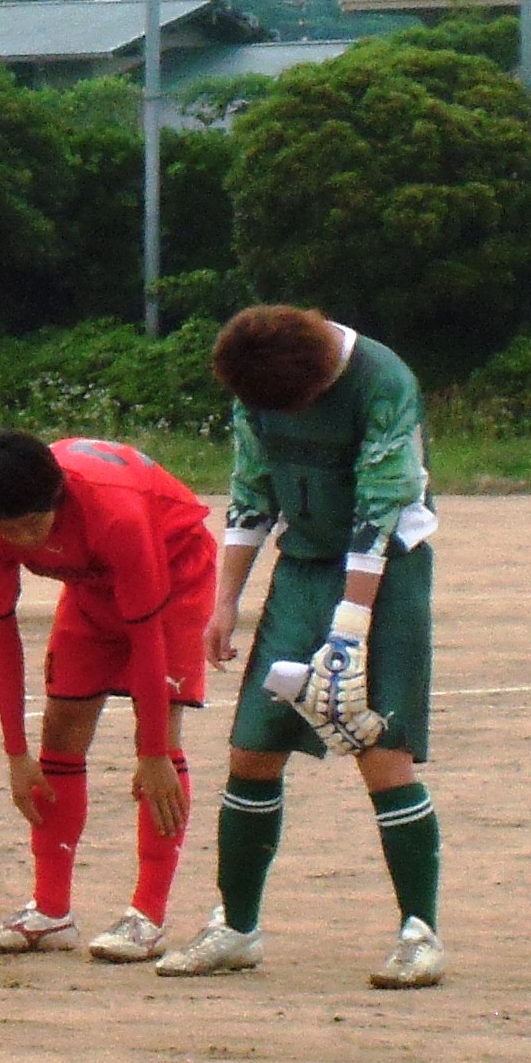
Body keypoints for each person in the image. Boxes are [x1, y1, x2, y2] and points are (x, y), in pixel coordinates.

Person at [159, 305, 447, 987]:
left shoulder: (383, 381)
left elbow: (380, 513)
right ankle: (236, 925)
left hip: (385, 575)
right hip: (303, 570)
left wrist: (349, 630)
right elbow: (251, 489)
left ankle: (419, 934)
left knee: (381, 749)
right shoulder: (255, 381)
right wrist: (225, 600)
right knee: (252, 749)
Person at [0, 431, 215, 961]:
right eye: (10, 531)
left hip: (175, 574)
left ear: (58, 497)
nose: (25, 541)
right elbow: (0, 633)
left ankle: (147, 915)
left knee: (158, 727)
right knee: (62, 726)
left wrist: (154, 753)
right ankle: (51, 913)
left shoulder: (114, 514)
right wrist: (15, 753)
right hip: (92, 585)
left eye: (33, 524)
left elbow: (146, 633)